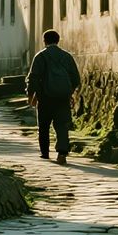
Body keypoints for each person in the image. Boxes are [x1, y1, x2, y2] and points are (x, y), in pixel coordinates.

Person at [26, 29, 80, 165]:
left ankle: (45, 153)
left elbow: (33, 78)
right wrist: (68, 92)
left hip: (45, 97)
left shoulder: (40, 56)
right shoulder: (67, 57)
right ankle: (62, 153)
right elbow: (75, 78)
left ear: (44, 41)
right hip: (62, 98)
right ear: (58, 40)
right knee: (62, 125)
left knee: (44, 126)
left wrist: (31, 95)